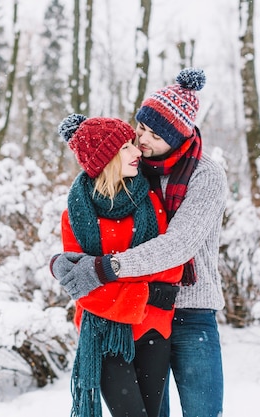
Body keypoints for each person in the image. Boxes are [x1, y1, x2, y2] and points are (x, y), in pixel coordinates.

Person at [52, 68, 227, 417]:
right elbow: (95, 204)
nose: (142, 140)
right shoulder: (137, 166)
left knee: (203, 411)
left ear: (178, 136)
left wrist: (107, 268)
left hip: (192, 313)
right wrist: (63, 262)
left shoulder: (206, 176)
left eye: (153, 135)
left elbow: (178, 245)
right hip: (140, 313)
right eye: (140, 128)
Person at [50, 113, 184, 417]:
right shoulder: (75, 215)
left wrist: (107, 275)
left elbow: (168, 267)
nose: (137, 151)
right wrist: (144, 293)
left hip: (152, 329)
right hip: (104, 335)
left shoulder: (151, 203)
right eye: (126, 147)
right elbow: (82, 286)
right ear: (105, 158)